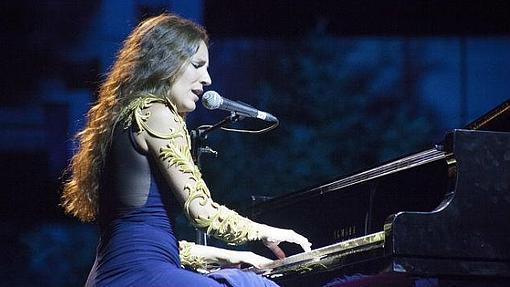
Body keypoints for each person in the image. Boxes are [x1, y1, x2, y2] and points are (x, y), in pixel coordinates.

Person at [61, 13, 311, 287]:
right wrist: (264, 232)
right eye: (197, 65)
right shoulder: (156, 112)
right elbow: (201, 211)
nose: (207, 79)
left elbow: (152, 241)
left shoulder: (125, 118)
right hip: (141, 277)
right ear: (167, 62)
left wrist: (227, 255)